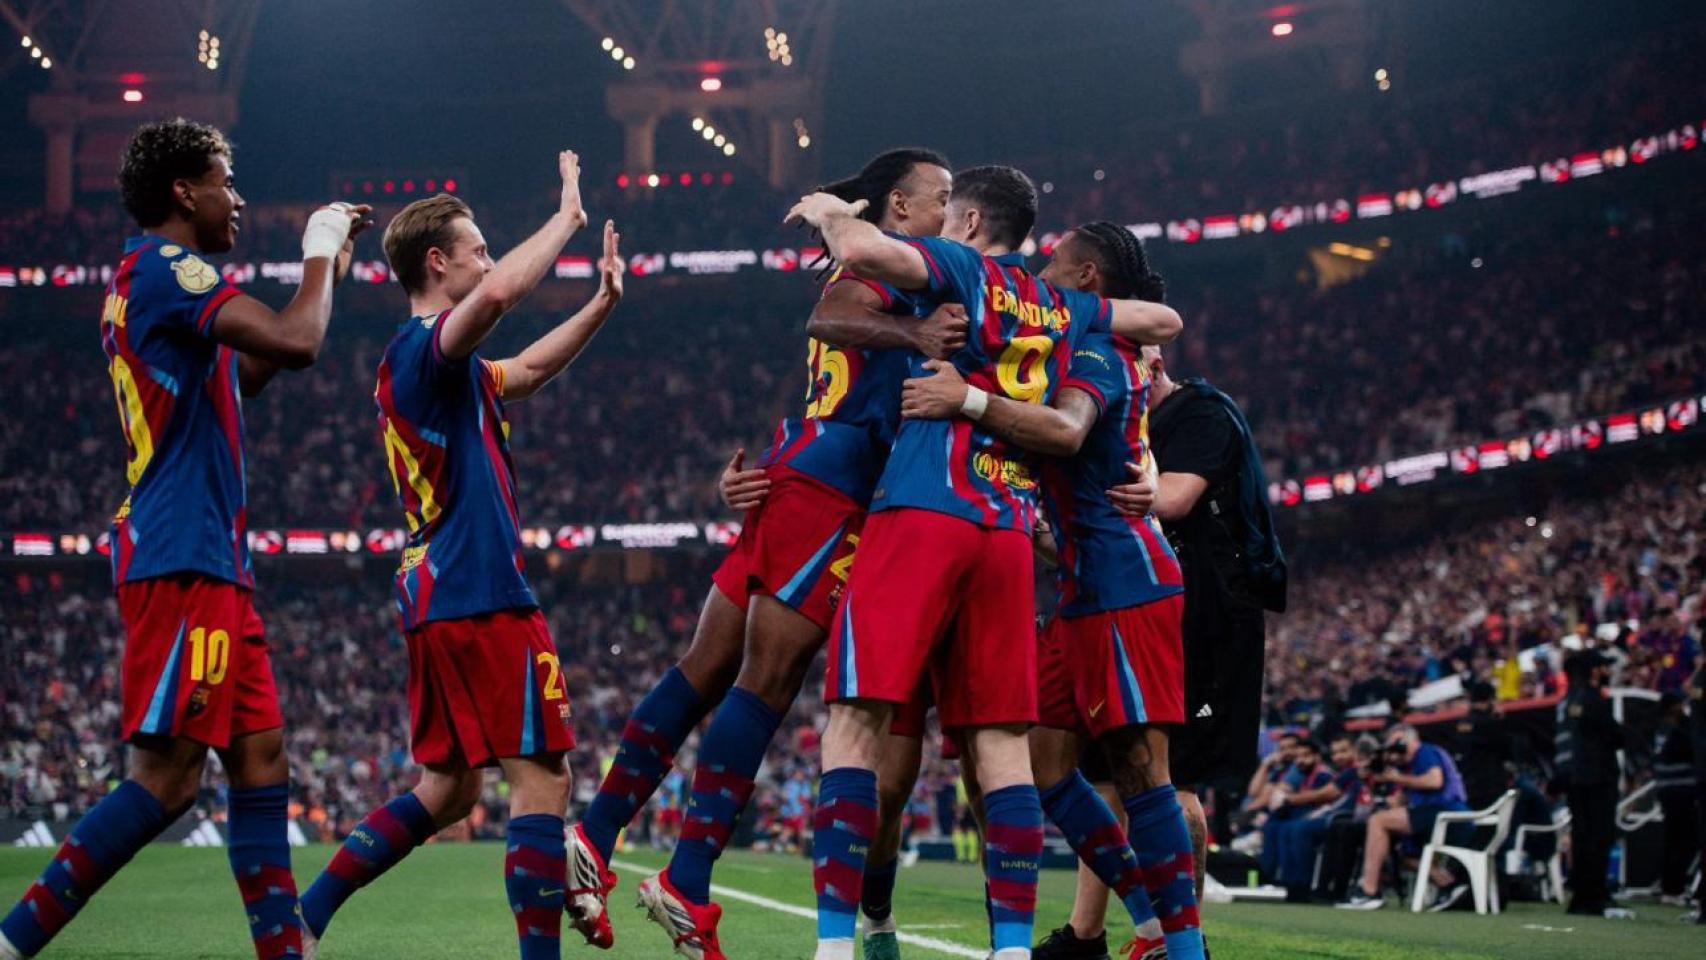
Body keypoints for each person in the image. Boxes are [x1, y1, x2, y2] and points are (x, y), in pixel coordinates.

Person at [567, 149, 962, 960]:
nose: (947, 213)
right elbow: (831, 317)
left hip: (800, 472)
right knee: (766, 682)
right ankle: (685, 877)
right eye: (940, 199)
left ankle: (598, 835)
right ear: (898, 205)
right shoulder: (895, 276)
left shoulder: (897, 265)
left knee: (703, 669)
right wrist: (917, 331)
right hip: (835, 486)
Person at [785, 169, 1184, 960]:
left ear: (967, 221)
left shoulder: (966, 269)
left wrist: (828, 211)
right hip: (1006, 532)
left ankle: (834, 946)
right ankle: (1008, 951)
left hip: (925, 509)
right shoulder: (1065, 307)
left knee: (854, 724)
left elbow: (865, 249)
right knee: (1003, 748)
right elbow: (1158, 316)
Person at [0, 119, 367, 960]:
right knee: (167, 781)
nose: (236, 198)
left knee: (261, 755)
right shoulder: (166, 268)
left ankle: (283, 950)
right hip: (182, 550)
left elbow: (243, 377)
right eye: (225, 180)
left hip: (211, 559)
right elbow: (298, 341)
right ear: (183, 192)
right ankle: (14, 941)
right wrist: (315, 253)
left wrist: (327, 278)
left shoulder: (152, 285)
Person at [294, 153, 616, 960]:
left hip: (437, 592)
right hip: (480, 589)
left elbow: (532, 368)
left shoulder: (445, 370)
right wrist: (568, 218)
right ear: (437, 263)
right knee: (541, 780)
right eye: (475, 248)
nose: (486, 258)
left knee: (448, 791)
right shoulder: (422, 354)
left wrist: (603, 303)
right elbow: (503, 294)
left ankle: (305, 918)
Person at [898, 222, 1205, 960]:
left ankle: (1186, 951)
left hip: (1125, 585)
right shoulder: (1081, 342)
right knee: (1043, 766)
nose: (1038, 273)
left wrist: (966, 400)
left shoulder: (1098, 350)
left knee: (1140, 771)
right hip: (1079, 590)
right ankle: (1151, 918)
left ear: (1089, 277)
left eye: (1053, 265)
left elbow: (1067, 434)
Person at [1337, 724, 1468, 910]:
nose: (1395, 751)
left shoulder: (1425, 751)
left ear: (1411, 739)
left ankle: (1369, 891)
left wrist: (1397, 778)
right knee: (1400, 851)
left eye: (1398, 743)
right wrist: (1372, 781)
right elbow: (1398, 801)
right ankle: (1448, 884)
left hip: (1446, 812)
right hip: (1434, 815)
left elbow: (1434, 781)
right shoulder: (1409, 766)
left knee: (1378, 821)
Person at [1554, 650, 1631, 919]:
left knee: (1581, 836)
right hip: (1598, 778)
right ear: (1594, 670)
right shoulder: (1592, 698)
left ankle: (1581, 897)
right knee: (1599, 837)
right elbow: (1616, 735)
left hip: (1575, 779)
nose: (1605, 671)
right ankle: (1595, 897)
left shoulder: (1566, 701)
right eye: (1602, 667)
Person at [1652, 693, 1698, 906]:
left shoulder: (1661, 728)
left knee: (1673, 841)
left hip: (1668, 792)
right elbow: (1691, 749)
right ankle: (1673, 888)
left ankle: (1670, 887)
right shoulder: (1677, 730)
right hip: (1680, 792)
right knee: (1681, 841)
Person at [1453, 681, 1512, 810]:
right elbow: (1506, 750)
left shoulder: (1461, 724)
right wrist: (1500, 720)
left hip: (1468, 786)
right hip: (1490, 787)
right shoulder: (1489, 723)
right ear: (1490, 700)